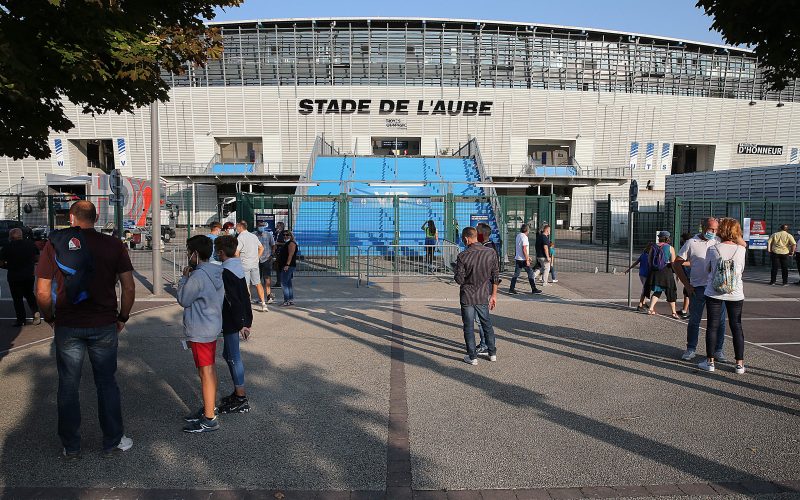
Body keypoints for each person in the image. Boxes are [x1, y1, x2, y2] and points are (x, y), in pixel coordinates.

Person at [35, 200, 136, 459]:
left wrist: (50, 318)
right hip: (103, 323)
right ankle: (112, 440)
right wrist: (122, 317)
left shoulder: (54, 244)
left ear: (71, 218)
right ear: (96, 217)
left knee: (68, 385)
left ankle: (71, 445)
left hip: (68, 324)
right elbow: (129, 286)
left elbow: (42, 291)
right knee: (107, 384)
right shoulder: (114, 244)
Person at [177, 235, 224, 433]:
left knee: (205, 372)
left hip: (200, 329)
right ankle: (209, 406)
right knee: (209, 370)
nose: (188, 255)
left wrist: (183, 279)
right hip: (211, 326)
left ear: (195, 254)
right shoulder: (216, 271)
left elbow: (184, 299)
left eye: (189, 252)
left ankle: (209, 418)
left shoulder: (197, 276)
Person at [673, 218, 731, 361]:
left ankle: (718, 350)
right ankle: (691, 348)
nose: (714, 232)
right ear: (703, 227)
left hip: (717, 287)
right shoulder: (691, 242)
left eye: (716, 229)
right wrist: (687, 284)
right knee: (695, 319)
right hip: (698, 287)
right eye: (711, 229)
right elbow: (677, 263)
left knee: (720, 321)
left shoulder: (719, 240)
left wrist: (724, 225)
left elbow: (737, 240)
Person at [698, 218, 747, 374]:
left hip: (714, 292)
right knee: (736, 326)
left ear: (721, 231)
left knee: (712, 326)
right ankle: (739, 364)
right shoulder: (741, 250)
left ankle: (710, 362)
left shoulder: (713, 249)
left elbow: (707, 269)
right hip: (736, 293)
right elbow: (741, 271)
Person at [214, 235, 253, 414]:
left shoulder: (225, 272)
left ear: (221, 252)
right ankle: (238, 393)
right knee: (228, 354)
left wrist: (241, 324)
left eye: (216, 250)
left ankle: (241, 397)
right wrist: (247, 320)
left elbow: (233, 300)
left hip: (232, 320)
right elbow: (245, 295)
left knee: (234, 357)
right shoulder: (237, 267)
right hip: (237, 319)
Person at [454, 227, 500, 365]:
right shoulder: (490, 252)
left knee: (468, 326)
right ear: (476, 237)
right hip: (482, 294)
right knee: (486, 324)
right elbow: (495, 275)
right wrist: (494, 295)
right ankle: (492, 353)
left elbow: (460, 280)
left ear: (466, 238)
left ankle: (472, 356)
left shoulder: (462, 256)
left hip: (467, 296)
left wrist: (455, 272)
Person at [0, 228, 40, 326]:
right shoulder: (30, 244)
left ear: (11, 236)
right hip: (29, 275)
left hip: (14, 276)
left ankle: (21, 319)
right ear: (21, 235)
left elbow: (1, 262)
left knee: (17, 299)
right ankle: (36, 314)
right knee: (30, 295)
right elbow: (37, 258)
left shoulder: (7, 247)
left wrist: (6, 266)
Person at [234, 221, 267, 312]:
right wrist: (257, 258)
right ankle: (263, 304)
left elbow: (237, 252)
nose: (236, 229)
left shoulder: (240, 237)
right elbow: (261, 248)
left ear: (241, 227)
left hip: (244, 264)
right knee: (258, 283)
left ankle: (248, 305)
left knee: (246, 285)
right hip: (254, 263)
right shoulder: (253, 236)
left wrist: (237, 261)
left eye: (237, 227)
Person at [647, 231, 679, 318]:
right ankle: (673, 312)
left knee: (657, 290)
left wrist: (652, 269)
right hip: (666, 271)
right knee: (670, 291)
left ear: (659, 237)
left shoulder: (653, 247)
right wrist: (677, 274)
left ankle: (650, 308)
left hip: (655, 272)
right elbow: (673, 263)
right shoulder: (670, 248)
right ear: (668, 238)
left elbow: (649, 260)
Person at [509, 224, 542, 295]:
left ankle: (511, 288)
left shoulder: (518, 235)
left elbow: (521, 249)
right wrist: (527, 259)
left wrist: (527, 256)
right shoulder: (524, 237)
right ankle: (534, 289)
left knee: (516, 274)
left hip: (518, 258)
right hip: (523, 259)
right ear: (527, 230)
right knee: (530, 273)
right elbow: (524, 249)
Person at [623, 242, 653, 311]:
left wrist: (629, 269)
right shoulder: (650, 256)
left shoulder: (643, 254)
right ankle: (640, 305)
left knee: (646, 288)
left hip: (641, 274)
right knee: (645, 289)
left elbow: (636, 262)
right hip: (646, 274)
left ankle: (644, 302)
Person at [277, 230, 298, 306]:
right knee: (288, 283)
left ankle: (286, 300)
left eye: (287, 235)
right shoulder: (287, 243)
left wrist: (287, 265)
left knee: (284, 283)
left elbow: (290, 255)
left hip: (288, 266)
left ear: (291, 235)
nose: (285, 236)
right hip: (287, 265)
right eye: (284, 235)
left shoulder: (291, 243)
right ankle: (290, 300)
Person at [257, 224, 276, 304]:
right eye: (259, 226)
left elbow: (273, 245)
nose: (261, 227)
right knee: (257, 279)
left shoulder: (268, 234)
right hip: (256, 259)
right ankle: (261, 297)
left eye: (262, 226)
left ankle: (269, 296)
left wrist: (272, 255)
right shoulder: (253, 234)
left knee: (267, 278)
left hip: (266, 259)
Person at [677, 233, 693, 318]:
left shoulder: (689, 247)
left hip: (692, 275)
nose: (680, 241)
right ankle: (684, 310)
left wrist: (681, 263)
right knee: (686, 293)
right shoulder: (685, 248)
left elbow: (691, 263)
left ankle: (690, 312)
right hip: (687, 275)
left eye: (682, 239)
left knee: (690, 294)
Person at [273, 221, 287, 289]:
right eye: (276, 225)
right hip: (277, 253)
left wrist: (278, 243)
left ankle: (281, 282)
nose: (276, 227)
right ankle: (279, 282)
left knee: (281, 268)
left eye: (278, 226)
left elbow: (286, 243)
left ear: (281, 226)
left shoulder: (284, 234)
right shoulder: (276, 233)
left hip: (282, 253)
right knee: (277, 268)